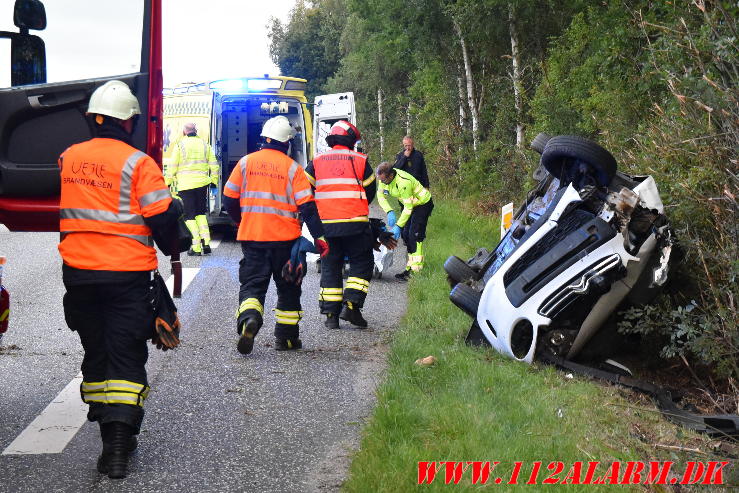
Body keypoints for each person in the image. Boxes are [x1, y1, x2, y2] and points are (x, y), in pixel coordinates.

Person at [58, 80, 183, 479]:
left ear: (93, 119)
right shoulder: (139, 163)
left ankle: (108, 436)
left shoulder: (68, 158)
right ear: (128, 123)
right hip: (127, 276)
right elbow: (162, 218)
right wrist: (176, 242)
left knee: (97, 351)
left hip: (79, 276)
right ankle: (118, 444)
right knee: (126, 352)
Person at [223, 115, 329, 354]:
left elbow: (229, 199)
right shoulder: (293, 168)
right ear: (287, 143)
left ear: (264, 139)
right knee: (289, 287)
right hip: (285, 241)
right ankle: (286, 338)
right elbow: (308, 208)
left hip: (252, 237)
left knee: (252, 285)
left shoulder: (245, 163)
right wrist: (320, 238)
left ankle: (250, 318)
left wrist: (242, 221)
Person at [305, 121, 376, 329]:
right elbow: (370, 192)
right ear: (352, 141)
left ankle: (330, 316)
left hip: (326, 226)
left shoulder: (317, 161)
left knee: (330, 266)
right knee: (362, 262)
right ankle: (352, 305)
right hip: (355, 225)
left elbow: (304, 190)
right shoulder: (360, 160)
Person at [165, 122, 219, 255]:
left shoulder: (180, 145)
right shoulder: (205, 145)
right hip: (202, 185)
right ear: (196, 131)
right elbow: (214, 165)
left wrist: (167, 183)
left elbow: (172, 167)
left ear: (184, 132)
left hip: (186, 185)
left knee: (189, 216)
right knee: (201, 213)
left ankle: (195, 247)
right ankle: (206, 243)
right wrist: (214, 182)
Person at [376, 161, 434, 281]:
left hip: (422, 204)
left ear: (391, 176)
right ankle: (409, 268)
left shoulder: (403, 182)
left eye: (383, 180)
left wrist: (398, 225)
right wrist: (389, 211)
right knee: (406, 235)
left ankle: (416, 272)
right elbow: (381, 196)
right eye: (380, 180)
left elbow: (408, 208)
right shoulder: (384, 179)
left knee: (415, 235)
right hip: (409, 203)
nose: (381, 183)